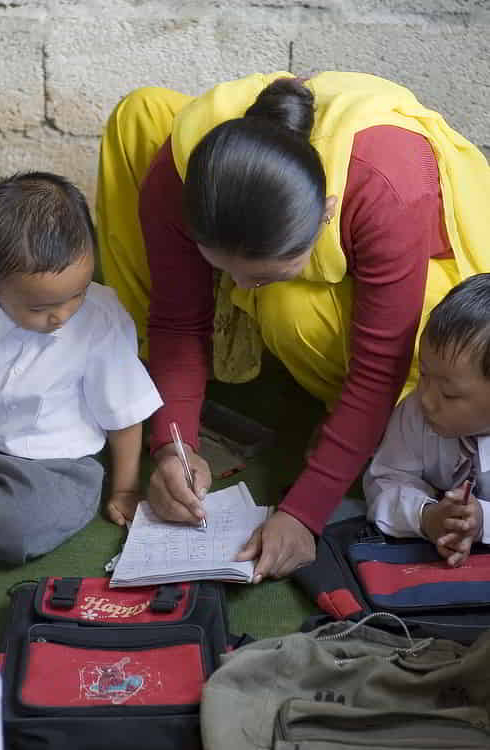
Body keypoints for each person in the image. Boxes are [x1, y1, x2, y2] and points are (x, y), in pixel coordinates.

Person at [96, 71, 490, 581]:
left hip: (436, 281)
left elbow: (380, 366)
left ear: (327, 215)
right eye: (221, 269)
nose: (233, 290)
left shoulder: (385, 186)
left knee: (292, 311)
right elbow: (177, 319)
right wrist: (175, 444)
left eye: (256, 276)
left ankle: (354, 426)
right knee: (139, 115)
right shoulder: (181, 181)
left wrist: (305, 513)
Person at [0, 172, 162, 564]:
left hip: (55, 466)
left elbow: (124, 415)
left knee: (20, 525)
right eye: (40, 308)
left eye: (78, 294)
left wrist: (124, 489)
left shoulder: (101, 320)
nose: (62, 315)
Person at [364, 274, 490, 567]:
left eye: (448, 393)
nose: (426, 398)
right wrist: (426, 516)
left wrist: (482, 519)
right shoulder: (415, 413)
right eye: (423, 374)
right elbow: (384, 479)